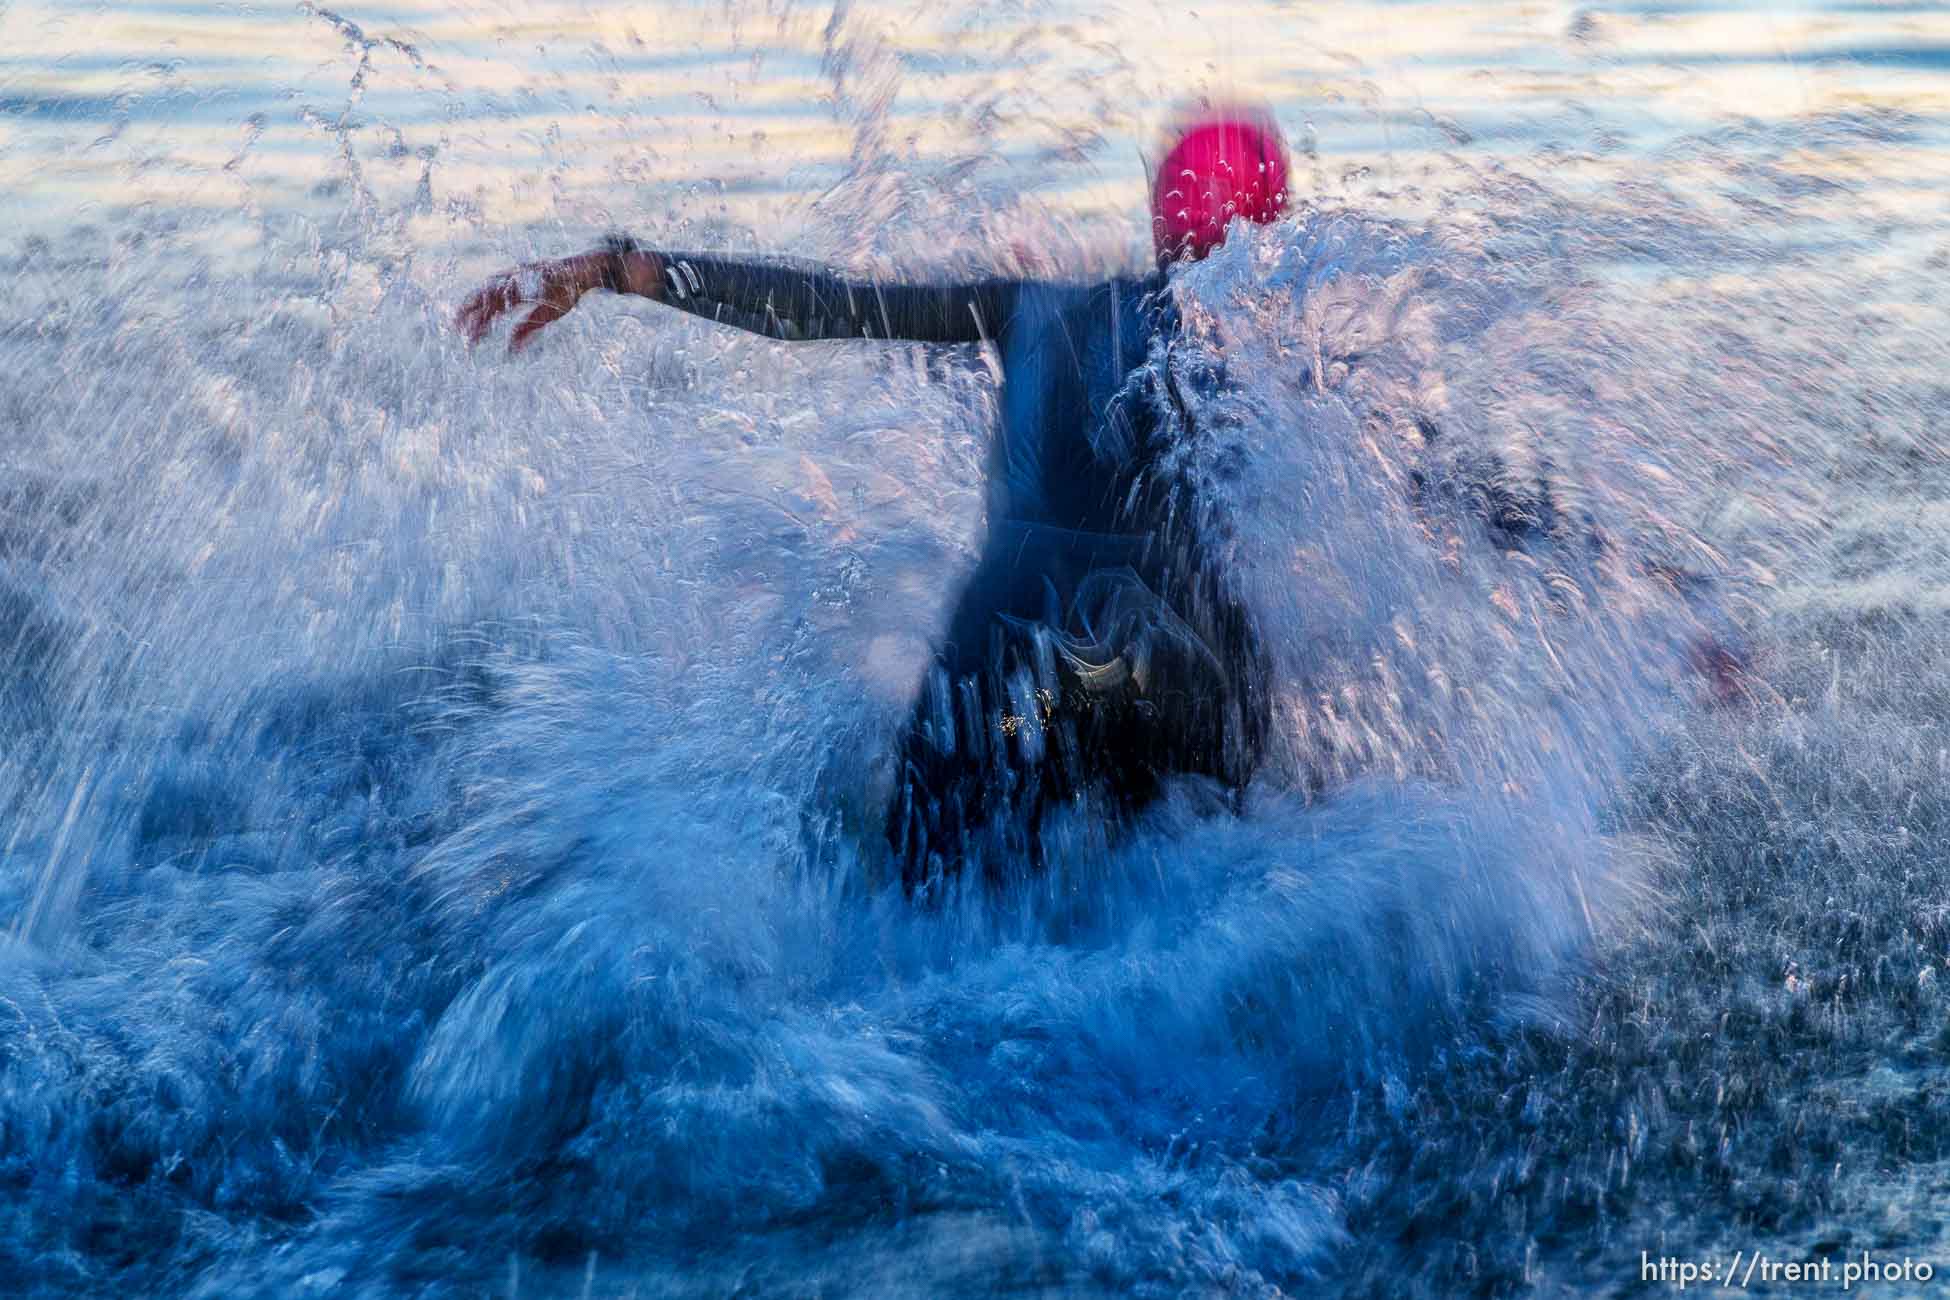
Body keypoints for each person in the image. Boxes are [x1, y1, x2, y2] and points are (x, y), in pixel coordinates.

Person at [456, 110, 1292, 894]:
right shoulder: (1293, 360)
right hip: (1181, 669)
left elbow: (828, 308)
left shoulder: (1029, 309)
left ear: (1158, 214)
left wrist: (620, 270)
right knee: (1236, 858)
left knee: (933, 894)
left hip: (1015, 665)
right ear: (1276, 224)